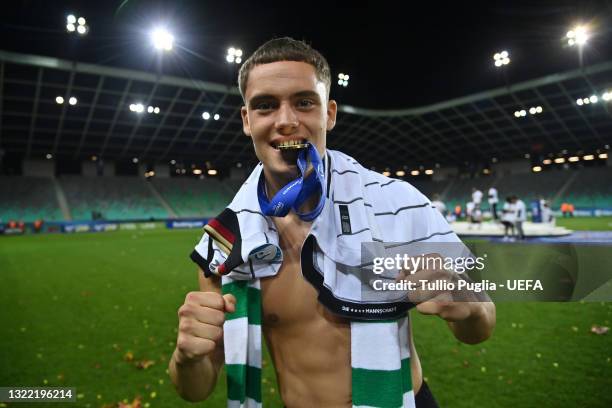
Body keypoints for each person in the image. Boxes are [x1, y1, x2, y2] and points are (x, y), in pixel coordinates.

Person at [169, 37, 495, 408]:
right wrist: (187, 356)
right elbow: (193, 388)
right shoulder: (226, 241)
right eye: (265, 105)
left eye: (304, 102)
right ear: (247, 120)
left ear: (330, 113)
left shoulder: (397, 203)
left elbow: (481, 325)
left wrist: (468, 305)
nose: (286, 121)